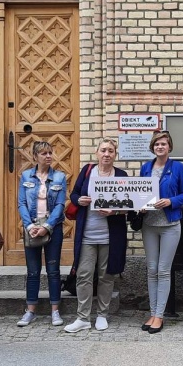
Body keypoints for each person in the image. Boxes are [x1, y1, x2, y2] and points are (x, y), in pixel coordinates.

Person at [66, 138, 131, 333]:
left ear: (115, 155)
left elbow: (129, 204)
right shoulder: (87, 171)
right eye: (103, 150)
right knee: (84, 275)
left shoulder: (121, 175)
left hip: (110, 236)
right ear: (97, 153)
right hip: (87, 234)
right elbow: (74, 194)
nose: (107, 154)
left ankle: (102, 315)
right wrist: (81, 200)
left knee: (106, 275)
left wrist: (115, 212)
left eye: (111, 151)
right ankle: (83, 317)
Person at [137, 131, 183, 333]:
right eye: (157, 144)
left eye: (164, 144)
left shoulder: (177, 167)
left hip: (169, 225)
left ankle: (160, 315)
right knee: (151, 269)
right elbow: (140, 192)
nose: (160, 147)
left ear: (169, 147)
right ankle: (152, 313)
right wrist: (141, 205)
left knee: (163, 270)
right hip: (149, 225)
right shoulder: (146, 167)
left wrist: (170, 201)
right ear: (153, 147)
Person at [16, 141, 68, 327]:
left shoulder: (60, 177)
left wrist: (47, 226)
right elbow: (21, 203)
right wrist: (29, 226)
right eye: (44, 153)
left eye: (50, 152)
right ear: (35, 157)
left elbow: (61, 205)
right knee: (33, 271)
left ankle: (55, 311)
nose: (48, 156)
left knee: (53, 270)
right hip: (31, 227)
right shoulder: (25, 176)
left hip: (52, 227)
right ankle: (30, 310)